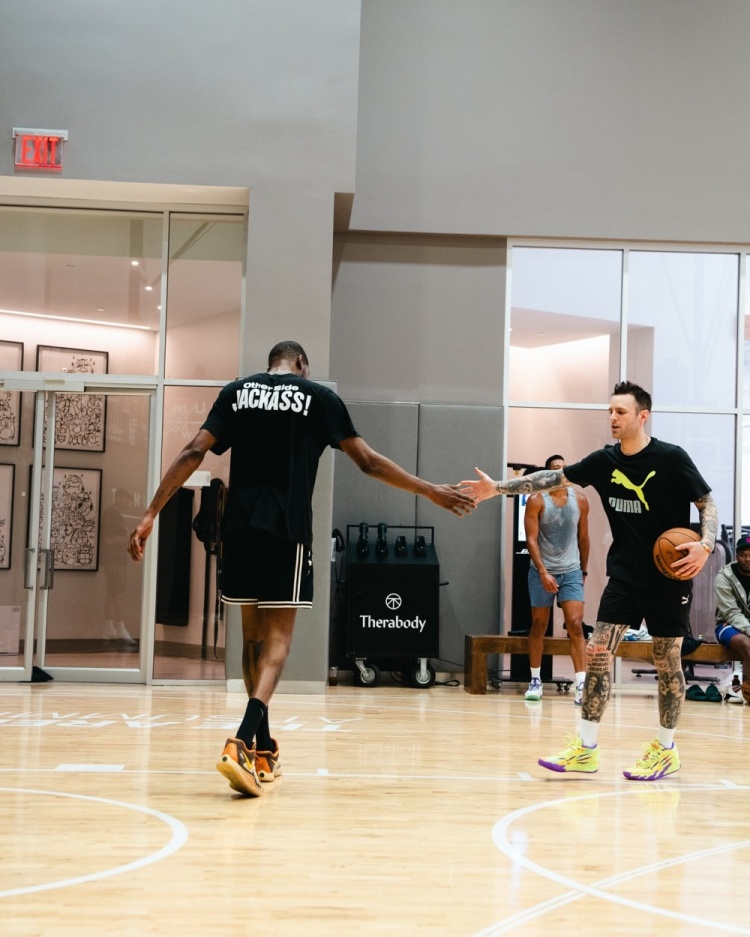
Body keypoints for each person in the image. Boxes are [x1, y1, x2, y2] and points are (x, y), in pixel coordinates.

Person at [128, 340, 475, 797]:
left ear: (270, 363)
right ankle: (241, 742)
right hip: (285, 531)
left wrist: (152, 511)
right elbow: (368, 462)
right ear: (302, 364)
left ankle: (262, 748)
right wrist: (430, 490)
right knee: (278, 642)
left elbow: (194, 450)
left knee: (252, 640)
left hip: (239, 531)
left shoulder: (237, 392)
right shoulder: (318, 397)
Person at [460, 380, 718, 781]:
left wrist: (705, 544)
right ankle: (586, 748)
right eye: (610, 411)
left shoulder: (671, 457)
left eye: (621, 412)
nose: (612, 418)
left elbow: (706, 502)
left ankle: (666, 750)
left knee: (667, 660)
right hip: (625, 577)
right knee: (597, 653)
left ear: (642, 416)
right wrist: (498, 488)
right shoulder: (604, 461)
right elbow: (551, 480)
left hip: (669, 577)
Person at [523, 454, 589, 704]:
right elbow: (531, 540)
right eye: (555, 468)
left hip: (571, 570)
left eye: (563, 468)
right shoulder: (536, 500)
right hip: (541, 570)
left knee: (575, 624)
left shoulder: (580, 500)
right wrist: (543, 571)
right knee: (539, 625)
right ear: (548, 473)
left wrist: (583, 572)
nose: (560, 471)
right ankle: (535, 680)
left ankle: (581, 684)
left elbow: (584, 538)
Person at [714, 534, 750, 705]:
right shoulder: (724, 577)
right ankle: (747, 690)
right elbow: (731, 612)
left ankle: (742, 689)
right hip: (726, 624)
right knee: (746, 643)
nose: (748, 559)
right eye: (743, 555)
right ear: (736, 556)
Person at [101, 487, 137, 647]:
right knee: (119, 594)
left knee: (112, 593)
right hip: (114, 562)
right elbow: (108, 539)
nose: (128, 503)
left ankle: (108, 627)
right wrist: (128, 539)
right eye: (126, 499)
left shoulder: (115, 515)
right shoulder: (111, 515)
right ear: (119, 498)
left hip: (116, 561)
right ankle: (121, 628)